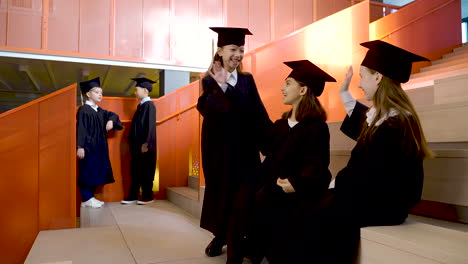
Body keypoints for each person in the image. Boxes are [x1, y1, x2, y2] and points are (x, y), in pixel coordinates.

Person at [320, 40, 431, 263]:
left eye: (363, 76)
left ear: (378, 77)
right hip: (377, 197)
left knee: (321, 213)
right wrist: (344, 94)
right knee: (317, 207)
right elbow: (366, 143)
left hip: (385, 204)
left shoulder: (394, 124)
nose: (360, 84)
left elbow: (364, 172)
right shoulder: (389, 118)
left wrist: (335, 185)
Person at [197, 27, 272, 264]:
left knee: (245, 197)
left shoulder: (247, 80)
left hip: (246, 150)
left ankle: (241, 242)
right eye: (232, 49)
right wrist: (221, 86)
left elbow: (257, 113)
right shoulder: (209, 80)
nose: (238, 54)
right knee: (222, 196)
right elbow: (211, 110)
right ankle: (221, 237)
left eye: (241, 50)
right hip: (220, 152)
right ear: (220, 51)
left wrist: (273, 141)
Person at [253, 60, 335, 264]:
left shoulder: (316, 128)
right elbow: (267, 151)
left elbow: (318, 167)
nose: (282, 88)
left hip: (297, 196)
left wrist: (297, 183)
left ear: (303, 90)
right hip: (271, 191)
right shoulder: (281, 125)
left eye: (288, 83)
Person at [77, 77, 123, 208]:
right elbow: (81, 128)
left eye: (101, 92)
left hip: (99, 147)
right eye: (96, 92)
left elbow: (113, 115)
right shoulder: (84, 110)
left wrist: (110, 121)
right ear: (88, 94)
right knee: (87, 171)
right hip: (88, 147)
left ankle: (90, 198)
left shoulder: (99, 110)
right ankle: (86, 198)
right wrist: (80, 146)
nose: (100, 94)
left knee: (96, 171)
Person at [121, 77, 157, 205]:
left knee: (146, 170)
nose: (135, 92)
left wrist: (147, 143)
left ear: (145, 91)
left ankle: (148, 196)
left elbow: (150, 126)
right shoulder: (140, 106)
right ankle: (133, 195)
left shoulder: (149, 106)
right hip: (136, 145)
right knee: (135, 170)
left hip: (144, 145)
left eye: (137, 90)